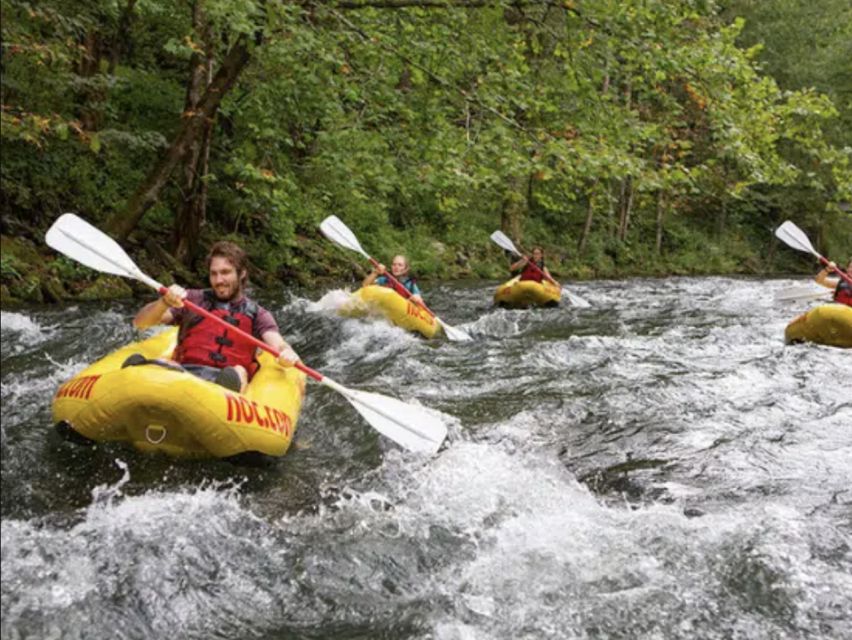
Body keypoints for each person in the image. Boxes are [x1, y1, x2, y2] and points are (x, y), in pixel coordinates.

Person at [130, 241, 300, 393]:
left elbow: (278, 344)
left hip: (228, 382)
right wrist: (164, 302)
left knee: (239, 371)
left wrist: (286, 354)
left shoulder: (258, 314)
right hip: (184, 373)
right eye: (214, 273)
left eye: (225, 272)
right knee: (164, 363)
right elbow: (141, 323)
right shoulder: (191, 299)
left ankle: (226, 388)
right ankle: (140, 374)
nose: (219, 280)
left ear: (241, 274)